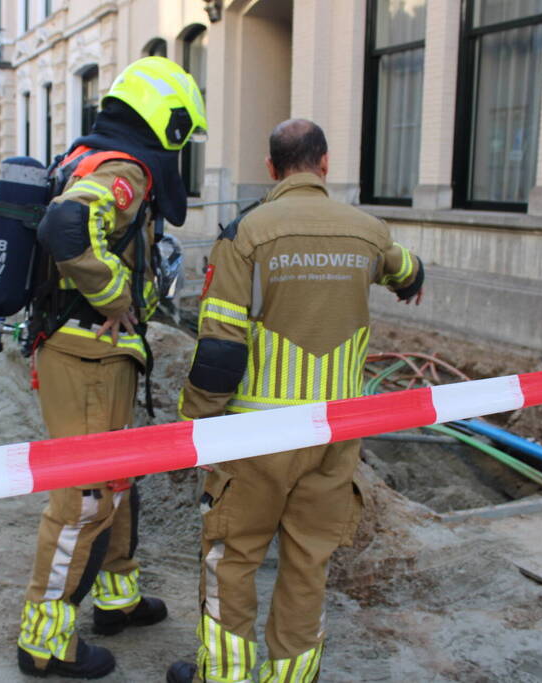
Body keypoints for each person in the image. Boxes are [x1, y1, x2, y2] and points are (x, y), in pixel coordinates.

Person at [167, 119, 425, 683]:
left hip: (256, 442)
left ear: (271, 169)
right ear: (325, 164)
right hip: (334, 440)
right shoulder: (369, 232)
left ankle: (228, 676)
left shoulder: (247, 234)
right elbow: (405, 268)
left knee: (232, 559)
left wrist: (195, 424)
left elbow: (219, 349)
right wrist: (413, 278)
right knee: (309, 563)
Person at [16, 56, 207, 680]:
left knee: (116, 480)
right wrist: (113, 296)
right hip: (89, 355)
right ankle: (44, 644)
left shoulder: (86, 156)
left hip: (96, 355)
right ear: (166, 122)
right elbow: (67, 224)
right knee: (84, 498)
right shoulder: (123, 169)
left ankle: (116, 599)